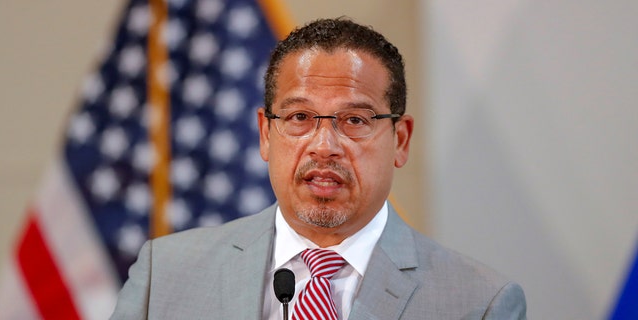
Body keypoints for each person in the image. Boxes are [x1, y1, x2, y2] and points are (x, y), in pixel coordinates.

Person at [110, 18, 527, 319]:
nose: (325, 146)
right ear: (265, 134)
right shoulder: (165, 274)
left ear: (400, 140)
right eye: (299, 118)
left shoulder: (480, 302)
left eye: (355, 121)